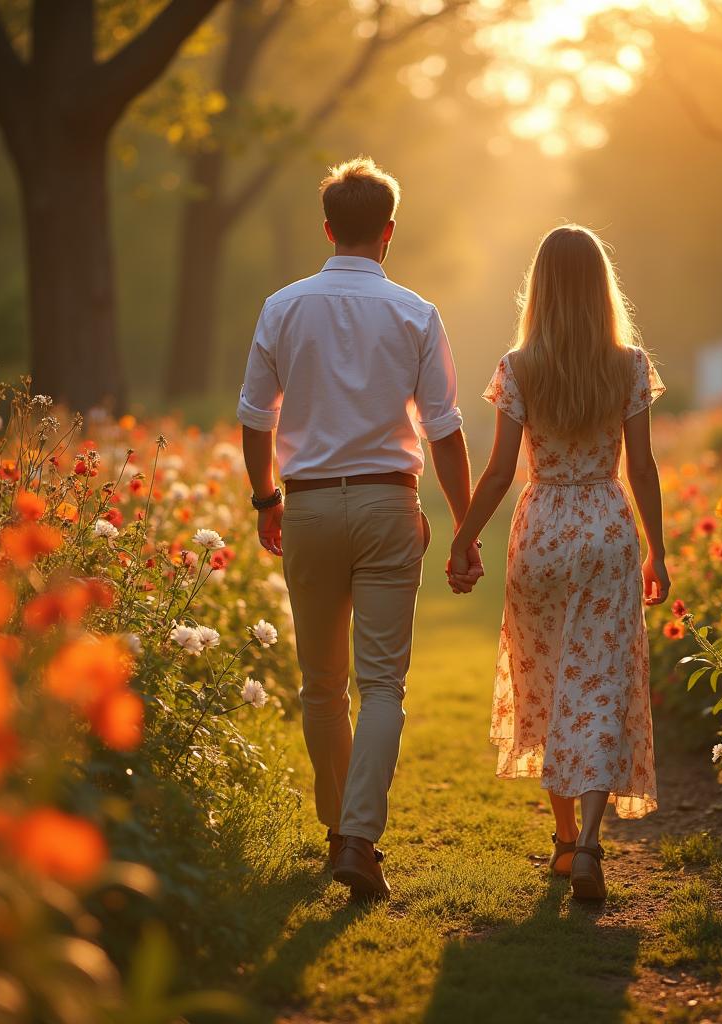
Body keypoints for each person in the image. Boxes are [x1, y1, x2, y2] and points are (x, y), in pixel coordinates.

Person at [237, 156, 482, 900]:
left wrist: (264, 501)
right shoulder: (415, 312)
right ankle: (360, 836)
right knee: (382, 686)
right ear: (388, 231)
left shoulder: (282, 306)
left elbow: (254, 417)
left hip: (306, 504)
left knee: (320, 686)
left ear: (326, 229)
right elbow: (443, 430)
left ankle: (338, 830)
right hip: (385, 504)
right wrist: (466, 526)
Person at [448, 224, 669, 901]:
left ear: (539, 287)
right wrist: (658, 548)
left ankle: (566, 841)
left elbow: (496, 473)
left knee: (545, 679)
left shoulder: (519, 367)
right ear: (602, 286)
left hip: (541, 528)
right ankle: (593, 847)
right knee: (600, 684)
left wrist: (464, 538)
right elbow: (643, 466)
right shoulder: (627, 364)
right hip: (605, 525)